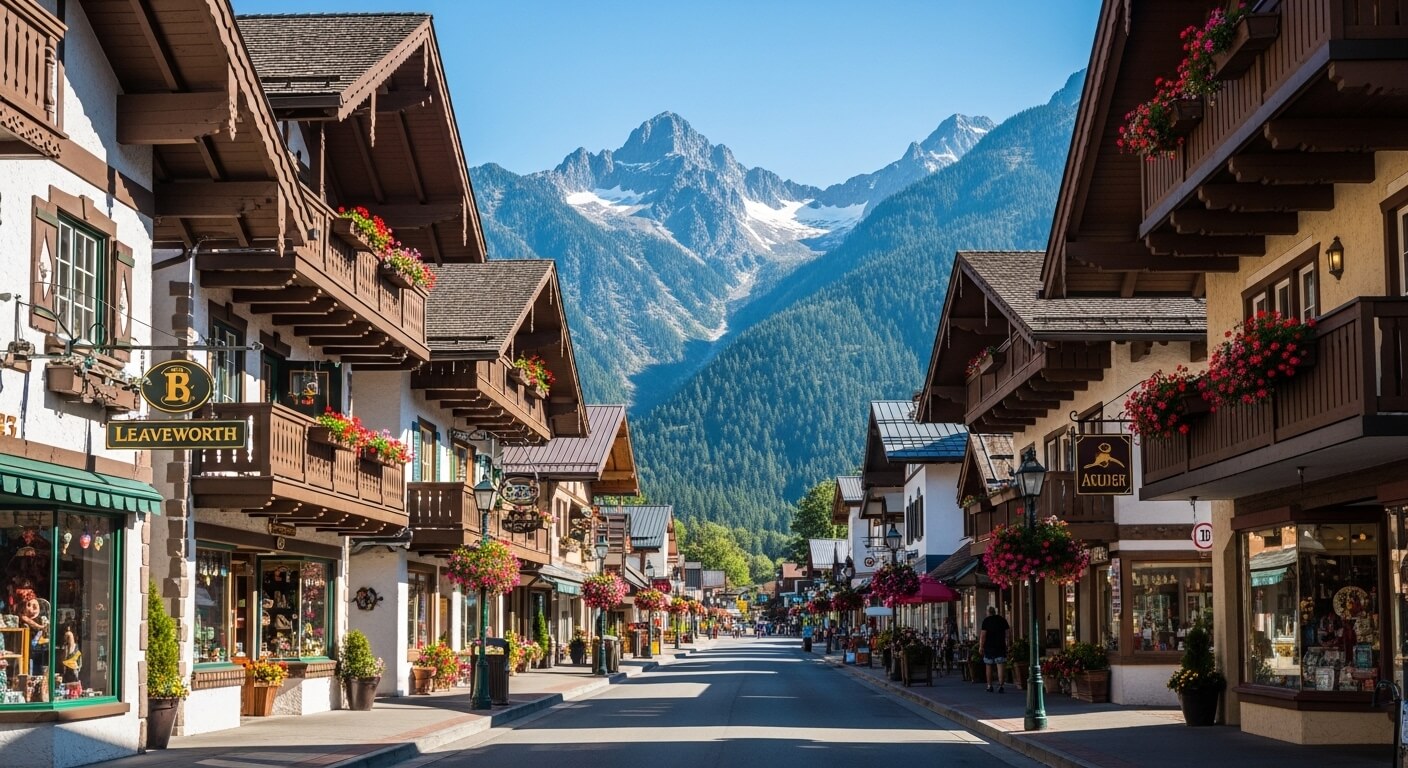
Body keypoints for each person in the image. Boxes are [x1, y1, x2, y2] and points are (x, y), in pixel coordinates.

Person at [979, 605, 1009, 693]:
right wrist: (1008, 644)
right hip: (1000, 646)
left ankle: (989, 685)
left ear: (988, 612)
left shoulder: (986, 621)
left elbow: (983, 635)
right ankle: (1001, 686)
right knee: (1000, 665)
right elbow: (1008, 633)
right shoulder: (1002, 620)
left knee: (988, 665)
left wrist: (981, 646)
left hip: (989, 647)